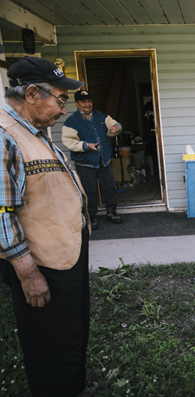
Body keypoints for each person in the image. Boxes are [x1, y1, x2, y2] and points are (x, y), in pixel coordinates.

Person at [0, 57, 107, 396]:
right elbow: (1, 212)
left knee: (71, 329)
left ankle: (71, 386)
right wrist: (27, 272)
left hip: (65, 253)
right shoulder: (5, 136)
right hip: (42, 263)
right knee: (49, 340)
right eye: (60, 100)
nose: (63, 110)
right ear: (32, 93)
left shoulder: (35, 131)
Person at [62, 90, 123, 230]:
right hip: (85, 162)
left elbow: (116, 125)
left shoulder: (102, 116)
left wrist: (116, 127)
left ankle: (111, 212)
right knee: (89, 191)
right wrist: (85, 145)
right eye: (83, 101)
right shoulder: (71, 122)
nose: (87, 104)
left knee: (109, 187)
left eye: (89, 101)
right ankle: (91, 216)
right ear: (77, 103)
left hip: (104, 160)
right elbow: (68, 141)